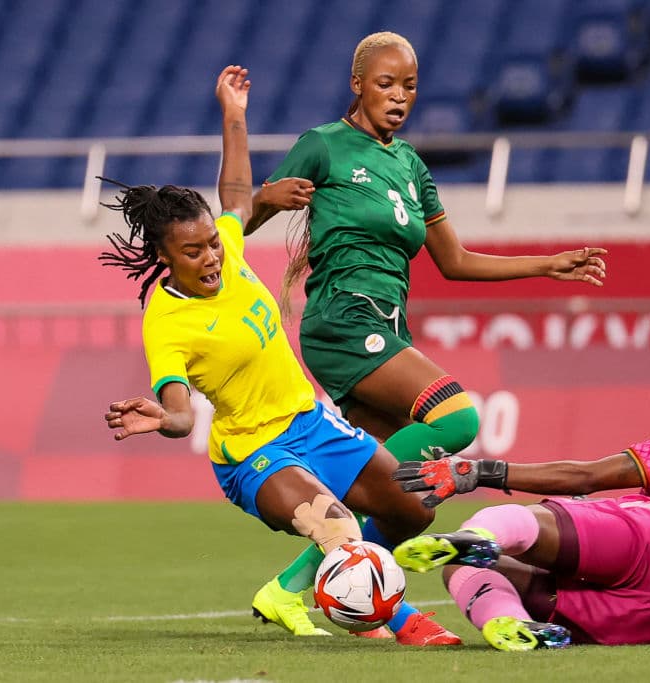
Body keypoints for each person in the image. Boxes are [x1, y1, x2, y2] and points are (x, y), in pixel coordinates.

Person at [100, 65, 460, 646]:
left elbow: (239, 196)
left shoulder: (229, 251)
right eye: (193, 252)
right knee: (337, 526)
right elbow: (182, 409)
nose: (211, 257)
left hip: (311, 423)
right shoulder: (166, 323)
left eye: (212, 242)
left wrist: (234, 114)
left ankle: (325, 598)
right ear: (167, 259)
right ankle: (400, 621)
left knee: (415, 506)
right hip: (253, 453)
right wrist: (166, 419)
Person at [244, 31, 608, 469]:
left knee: (408, 500)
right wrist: (264, 200)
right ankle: (333, 497)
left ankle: (332, 525)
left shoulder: (412, 165)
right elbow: (237, 222)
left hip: (390, 325)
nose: (399, 96)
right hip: (344, 319)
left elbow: (455, 261)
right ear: (357, 84)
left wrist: (546, 265)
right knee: (457, 420)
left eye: (409, 86)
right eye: (385, 84)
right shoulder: (322, 145)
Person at [390, 344, 650, 651]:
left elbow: (587, 475)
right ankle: (511, 624)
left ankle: (480, 537)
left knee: (517, 522)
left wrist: (479, 472)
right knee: (465, 567)